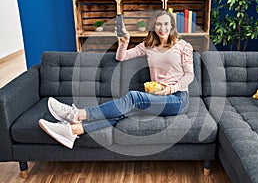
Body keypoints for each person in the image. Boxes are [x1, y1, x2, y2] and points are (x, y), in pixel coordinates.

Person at [38, 9, 195, 149]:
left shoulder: (183, 46)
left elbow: (189, 75)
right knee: (124, 111)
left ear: (172, 26)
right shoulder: (148, 46)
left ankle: (78, 114)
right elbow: (121, 57)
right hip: (155, 98)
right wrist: (124, 43)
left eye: (166, 24)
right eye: (158, 24)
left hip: (178, 99)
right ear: (153, 26)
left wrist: (170, 89)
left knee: (133, 97)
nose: (162, 28)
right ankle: (73, 131)